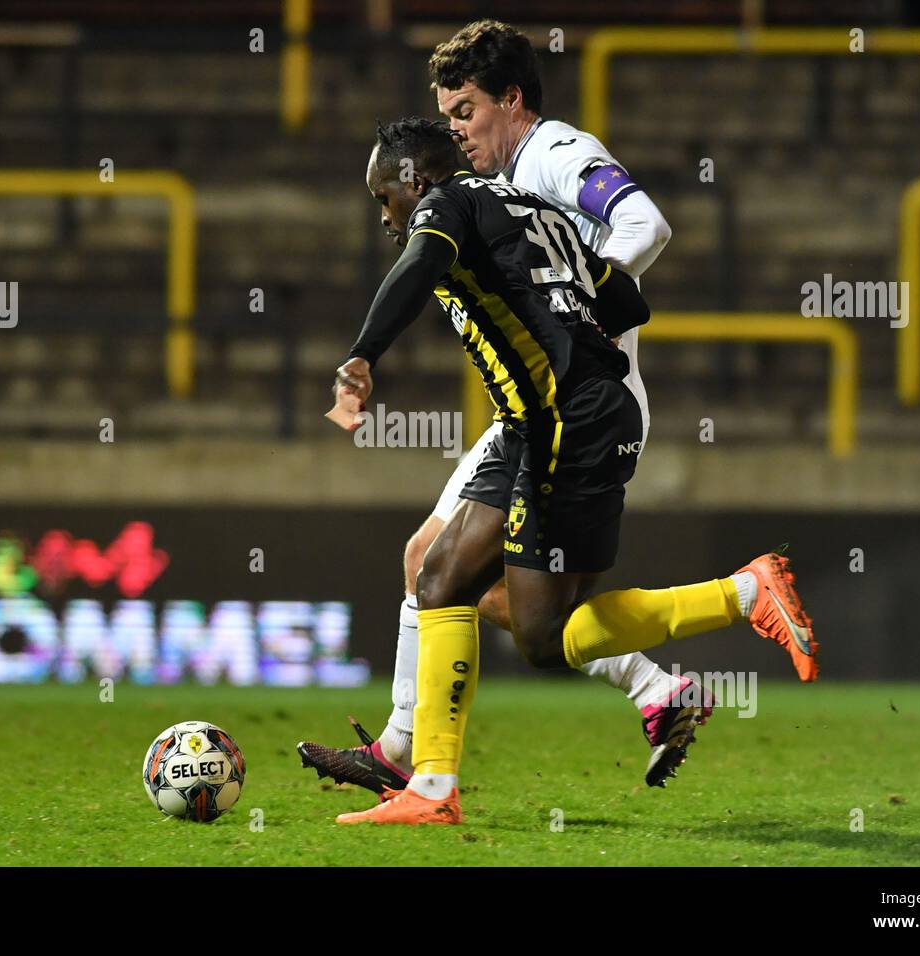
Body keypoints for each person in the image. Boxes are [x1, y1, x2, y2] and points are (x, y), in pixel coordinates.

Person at [331, 119, 816, 826]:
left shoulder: (446, 204)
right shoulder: (533, 210)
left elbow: (419, 266)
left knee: (541, 636)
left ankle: (744, 592)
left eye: (385, 197)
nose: (385, 216)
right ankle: (430, 788)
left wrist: (363, 356)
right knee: (439, 576)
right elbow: (626, 300)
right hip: (538, 421)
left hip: (566, 423)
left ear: (415, 180)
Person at [298, 20, 714, 797]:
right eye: (447, 117)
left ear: (512, 100)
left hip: (576, 398)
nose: (455, 132)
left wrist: (580, 307)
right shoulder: (488, 185)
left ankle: (672, 669)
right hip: (533, 399)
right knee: (433, 563)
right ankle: (404, 744)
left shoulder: (554, 154)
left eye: (465, 112)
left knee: (534, 625)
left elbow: (644, 223)